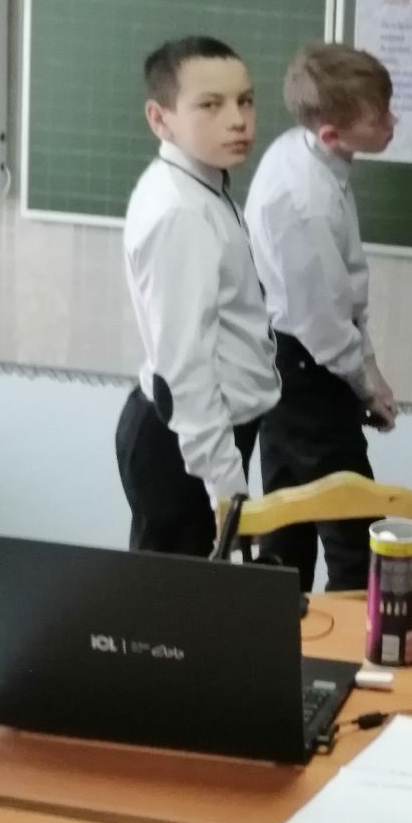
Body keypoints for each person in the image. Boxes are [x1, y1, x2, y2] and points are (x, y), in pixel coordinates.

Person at [116, 36, 279, 556]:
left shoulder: (202, 187)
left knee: (190, 599)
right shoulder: (180, 213)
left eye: (245, 101)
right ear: (159, 119)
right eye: (211, 105)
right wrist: (228, 492)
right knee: (172, 604)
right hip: (186, 448)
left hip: (203, 438)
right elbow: (185, 372)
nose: (238, 120)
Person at [245, 43, 398, 591]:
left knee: (287, 529)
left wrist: (368, 369)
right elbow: (323, 321)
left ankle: (282, 638)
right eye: (378, 118)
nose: (392, 123)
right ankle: (350, 646)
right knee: (356, 540)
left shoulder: (307, 151)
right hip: (304, 367)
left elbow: (341, 296)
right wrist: (365, 384)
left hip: (294, 362)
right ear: (332, 133)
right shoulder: (303, 198)